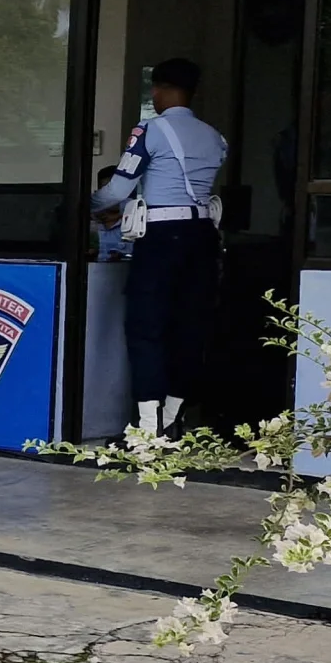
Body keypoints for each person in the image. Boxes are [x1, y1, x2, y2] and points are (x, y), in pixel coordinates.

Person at [92, 57, 226, 436]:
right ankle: (173, 420)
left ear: (163, 89)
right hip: (203, 235)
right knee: (189, 327)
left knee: (145, 327)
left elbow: (118, 190)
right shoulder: (214, 136)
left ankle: (146, 430)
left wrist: (84, 207)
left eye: (155, 88)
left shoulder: (150, 129)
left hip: (162, 235)